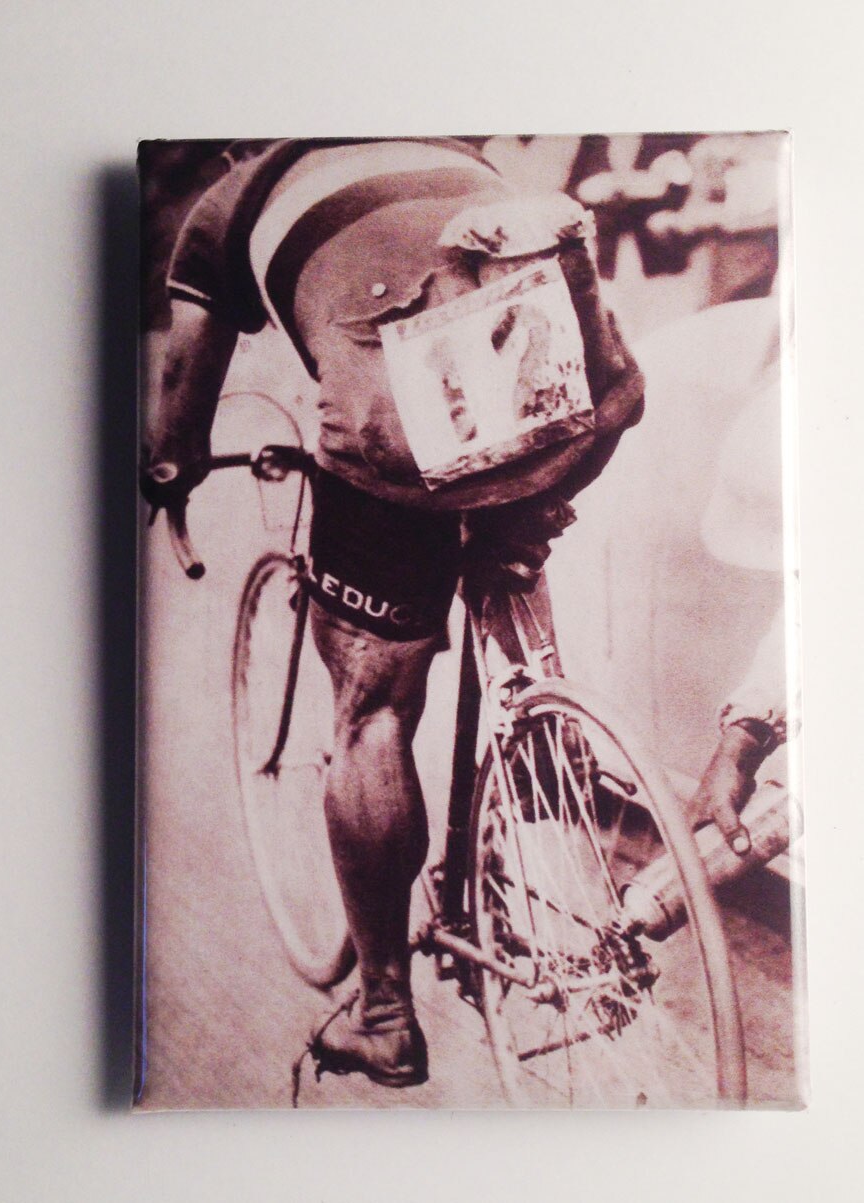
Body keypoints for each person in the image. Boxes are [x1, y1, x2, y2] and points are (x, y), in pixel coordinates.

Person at [141, 137, 644, 1089]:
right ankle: (545, 749)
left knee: (372, 713)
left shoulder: (232, 199)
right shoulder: (442, 143)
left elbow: (184, 387)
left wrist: (170, 468)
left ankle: (381, 1011)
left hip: (400, 428)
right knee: (506, 499)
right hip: (581, 374)